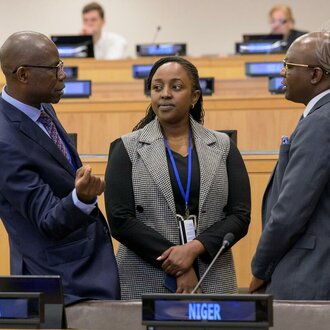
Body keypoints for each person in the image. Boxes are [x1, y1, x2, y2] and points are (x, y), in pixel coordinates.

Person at [104, 56, 251, 300]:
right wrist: (178, 263)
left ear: (194, 96)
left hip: (211, 273)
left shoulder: (223, 146)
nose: (165, 94)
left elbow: (240, 215)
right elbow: (120, 221)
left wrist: (193, 250)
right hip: (145, 274)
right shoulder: (126, 148)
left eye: (176, 87)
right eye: (157, 87)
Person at [0, 31, 120, 305]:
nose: (63, 75)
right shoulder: (3, 140)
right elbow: (47, 220)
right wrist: (82, 197)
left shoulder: (39, 107)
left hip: (83, 269)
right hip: (62, 284)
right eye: (55, 69)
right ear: (23, 75)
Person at [250, 32, 330, 299]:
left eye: (289, 66)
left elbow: (289, 213)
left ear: (316, 75)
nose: (282, 73)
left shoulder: (321, 123)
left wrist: (260, 269)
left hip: (307, 275)